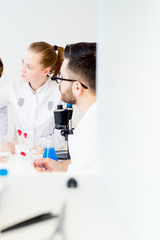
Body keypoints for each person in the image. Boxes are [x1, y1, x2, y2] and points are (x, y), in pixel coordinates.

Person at [33, 42, 98, 174]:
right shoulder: (98, 118)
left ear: (77, 87)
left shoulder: (92, 131)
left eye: (61, 78)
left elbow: (81, 185)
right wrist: (61, 167)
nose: (59, 84)